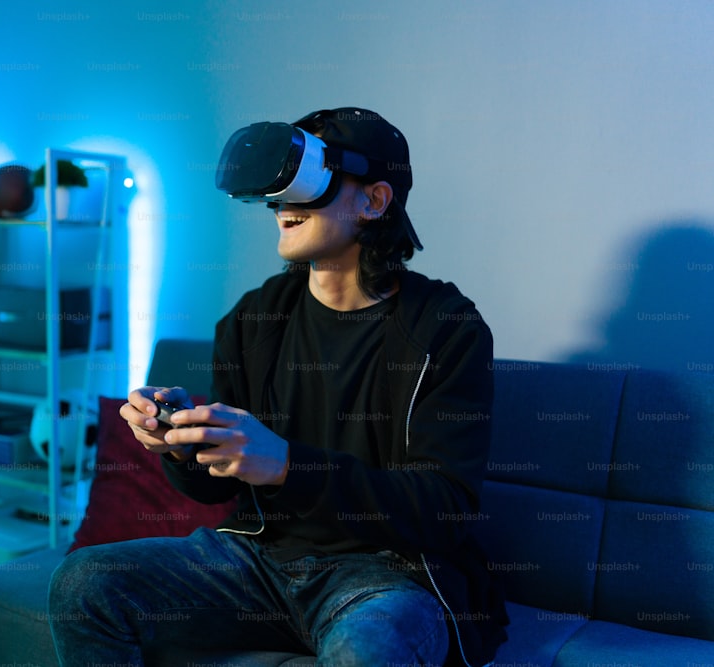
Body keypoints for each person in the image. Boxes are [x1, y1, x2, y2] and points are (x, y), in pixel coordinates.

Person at [49, 107, 509, 666]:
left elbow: (445, 510)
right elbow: (216, 487)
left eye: (306, 182)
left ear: (374, 201)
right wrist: (180, 446)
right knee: (85, 582)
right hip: (260, 558)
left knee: (370, 646)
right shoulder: (254, 319)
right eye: (276, 187)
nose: (280, 205)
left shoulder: (446, 328)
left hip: (385, 576)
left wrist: (289, 466)